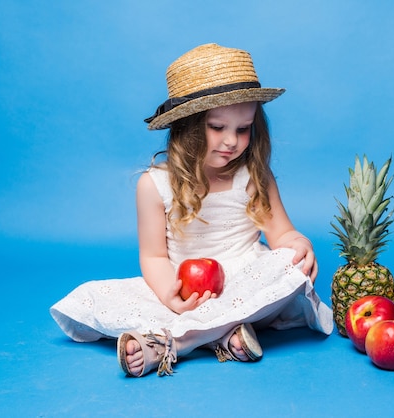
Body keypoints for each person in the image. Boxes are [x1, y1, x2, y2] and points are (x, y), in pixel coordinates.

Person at [50, 43, 333, 377]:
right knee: (100, 297)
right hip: (184, 286)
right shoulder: (154, 185)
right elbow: (154, 257)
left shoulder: (253, 175)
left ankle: (172, 344)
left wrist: (298, 243)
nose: (231, 141)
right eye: (217, 128)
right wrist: (173, 299)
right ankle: (223, 336)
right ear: (186, 126)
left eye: (243, 129)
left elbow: (281, 232)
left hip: (244, 283)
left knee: (288, 267)